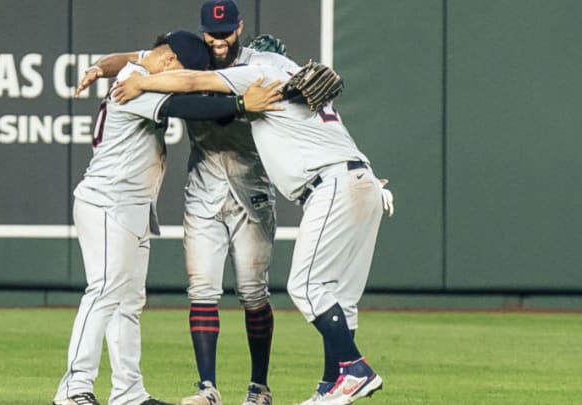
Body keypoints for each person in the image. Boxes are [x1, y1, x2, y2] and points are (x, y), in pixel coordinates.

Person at [111, 59, 394, 404]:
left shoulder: (258, 71)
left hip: (331, 184)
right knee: (341, 299)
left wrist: (141, 83)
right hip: (365, 183)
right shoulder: (297, 83)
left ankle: (354, 369)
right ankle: (331, 385)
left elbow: (192, 80)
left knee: (305, 287)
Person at [74, 2, 300, 405]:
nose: (217, 40)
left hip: (220, 193)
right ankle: (77, 389)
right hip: (133, 196)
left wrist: (99, 66)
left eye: (226, 31)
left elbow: (139, 60)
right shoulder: (152, 76)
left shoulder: (241, 63)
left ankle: (131, 393)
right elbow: (187, 96)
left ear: (239, 28)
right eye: (211, 33)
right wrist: (242, 104)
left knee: (242, 294)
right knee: (154, 291)